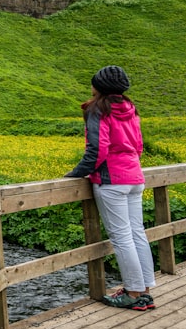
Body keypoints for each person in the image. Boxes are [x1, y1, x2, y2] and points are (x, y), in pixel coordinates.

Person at [65, 65, 156, 311]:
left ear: (99, 87)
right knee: (137, 233)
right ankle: (144, 291)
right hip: (134, 176)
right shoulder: (130, 108)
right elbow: (138, 145)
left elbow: (97, 149)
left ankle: (134, 294)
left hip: (112, 180)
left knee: (122, 237)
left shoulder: (98, 110)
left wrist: (77, 172)